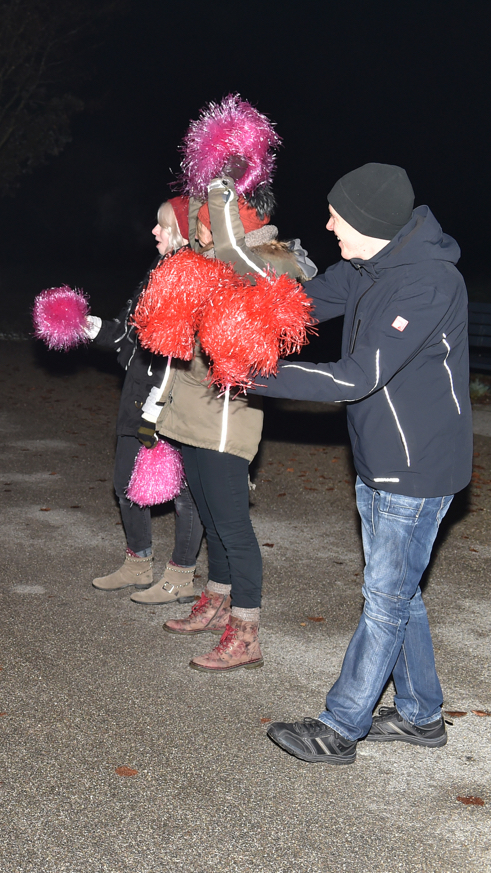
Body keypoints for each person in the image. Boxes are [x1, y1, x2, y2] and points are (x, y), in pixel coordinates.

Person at [259, 164, 470, 764]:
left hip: (418, 467)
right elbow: (302, 303)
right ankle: (421, 717)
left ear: (372, 224)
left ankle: (341, 724)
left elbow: (359, 377)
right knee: (400, 592)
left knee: (385, 597)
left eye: (338, 216)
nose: (328, 225)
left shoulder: (428, 284)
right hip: (379, 458)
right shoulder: (366, 268)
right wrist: (236, 315)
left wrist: (255, 373)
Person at [153, 176, 314, 670]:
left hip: (229, 418)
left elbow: (246, 278)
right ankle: (217, 599)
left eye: (207, 219)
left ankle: (246, 633)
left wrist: (219, 200)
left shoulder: (267, 263)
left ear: (231, 220)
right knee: (209, 514)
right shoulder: (214, 262)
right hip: (195, 413)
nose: (198, 227)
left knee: (233, 527)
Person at [88, 199, 206, 604]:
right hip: (137, 392)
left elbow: (189, 348)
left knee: (183, 492)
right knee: (125, 484)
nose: (153, 232)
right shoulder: (156, 271)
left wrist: (162, 399)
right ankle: (138, 563)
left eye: (162, 225)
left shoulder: (195, 275)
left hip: (172, 396)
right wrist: (85, 325)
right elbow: (125, 332)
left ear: (183, 229)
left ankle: (182, 574)